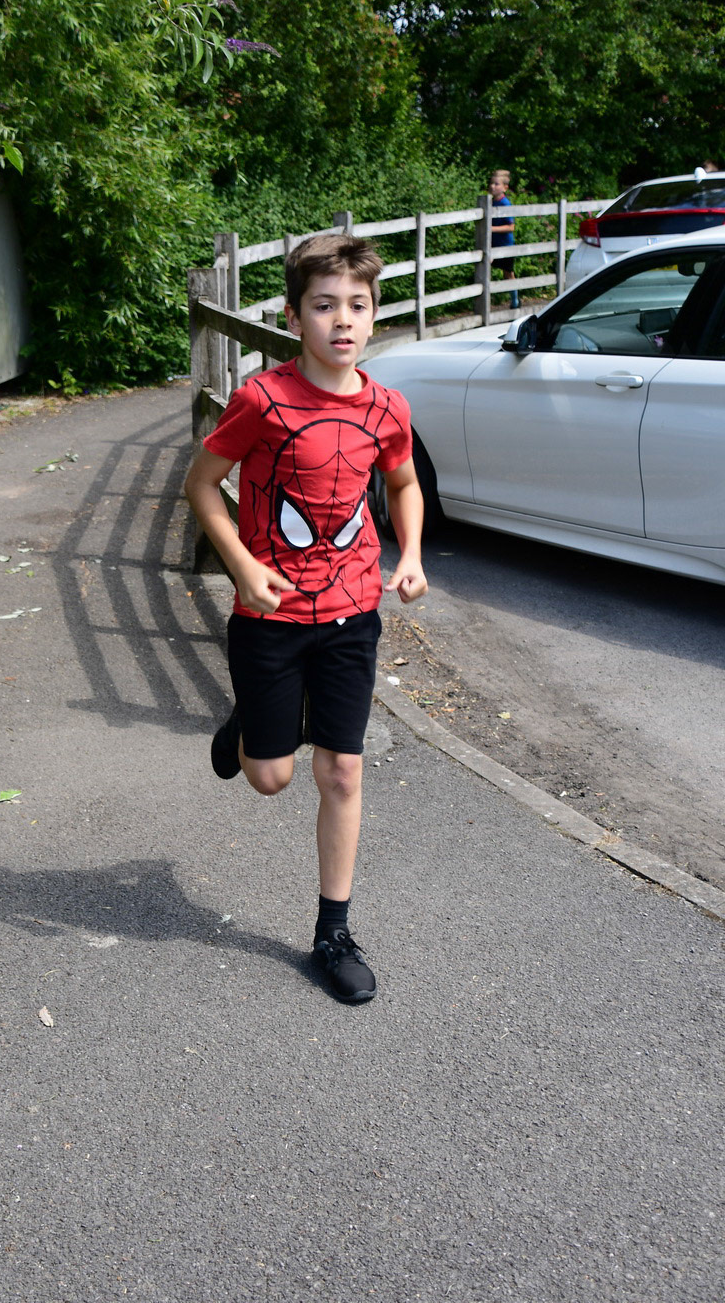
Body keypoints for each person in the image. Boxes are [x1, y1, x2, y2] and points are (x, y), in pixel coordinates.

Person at [184, 233, 428, 1004]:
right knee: (269, 777)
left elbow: (403, 484)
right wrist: (243, 566)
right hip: (270, 616)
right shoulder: (262, 401)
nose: (342, 319)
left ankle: (333, 933)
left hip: (353, 614)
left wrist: (411, 553)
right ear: (295, 317)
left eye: (357, 305)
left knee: (341, 771)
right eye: (324, 306)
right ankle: (252, 725)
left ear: (374, 315)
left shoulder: (387, 407)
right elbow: (200, 485)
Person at [489, 168, 520, 309]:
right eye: (491, 183)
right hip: (492, 244)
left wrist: (491, 229)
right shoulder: (489, 202)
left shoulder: (505, 203)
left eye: (496, 184)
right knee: (484, 269)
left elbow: (511, 226)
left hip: (505, 245)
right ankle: (486, 301)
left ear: (505, 188)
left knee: (508, 273)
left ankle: (515, 301)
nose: (492, 186)